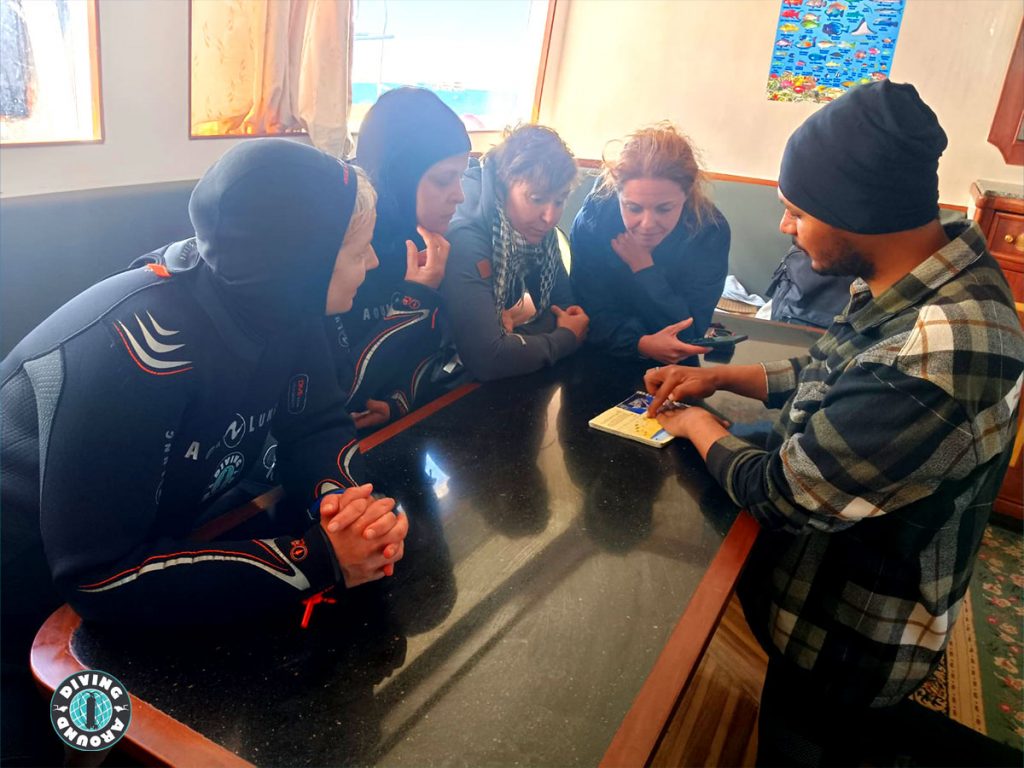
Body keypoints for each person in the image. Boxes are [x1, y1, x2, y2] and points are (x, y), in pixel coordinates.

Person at [645, 82, 1024, 766]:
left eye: (796, 212)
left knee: (797, 744)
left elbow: (784, 494)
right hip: (838, 587)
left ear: (857, 212)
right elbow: (836, 372)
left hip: (850, 636)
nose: (786, 227)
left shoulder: (937, 349)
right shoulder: (921, 275)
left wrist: (693, 421)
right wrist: (725, 377)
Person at [1, 140, 408, 763]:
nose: (374, 262)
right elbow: (101, 577)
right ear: (302, 263)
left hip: (155, 539)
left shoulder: (284, 306)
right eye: (357, 251)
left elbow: (317, 423)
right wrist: (321, 556)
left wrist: (344, 511)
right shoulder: (142, 347)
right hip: (29, 593)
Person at [337, 87, 472, 429]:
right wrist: (415, 300)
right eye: (444, 180)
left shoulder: (424, 240)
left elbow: (428, 364)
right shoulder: (341, 247)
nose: (459, 195)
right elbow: (336, 395)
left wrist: (398, 404)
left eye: (462, 176)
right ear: (399, 177)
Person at [570, 123, 730, 364]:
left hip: (675, 365)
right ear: (618, 192)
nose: (646, 224)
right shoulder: (594, 221)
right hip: (598, 356)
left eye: (664, 209)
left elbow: (689, 333)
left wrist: (644, 268)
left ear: (686, 195)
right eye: (633, 208)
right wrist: (640, 343)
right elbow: (587, 313)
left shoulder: (709, 231)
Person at [441, 124, 589, 381]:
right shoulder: (467, 235)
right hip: (441, 380)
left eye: (559, 200)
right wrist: (563, 338)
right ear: (502, 187)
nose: (550, 217)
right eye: (537, 199)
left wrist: (517, 339)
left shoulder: (537, 229)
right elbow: (488, 359)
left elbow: (568, 311)